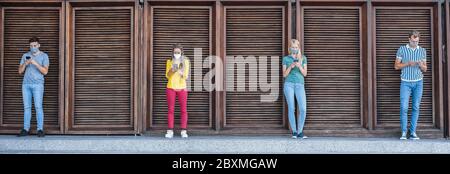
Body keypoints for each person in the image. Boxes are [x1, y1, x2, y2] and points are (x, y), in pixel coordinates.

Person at [394, 30, 427, 140]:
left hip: (418, 82)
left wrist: (421, 65)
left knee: (416, 107)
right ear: (409, 39)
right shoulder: (402, 49)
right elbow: (396, 66)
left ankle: (413, 132)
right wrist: (408, 63)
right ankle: (404, 132)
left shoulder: (422, 50)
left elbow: (425, 69)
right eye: (413, 41)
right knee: (404, 107)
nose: (415, 44)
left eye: (417, 41)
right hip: (405, 82)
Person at [17, 37, 49, 137]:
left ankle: (40, 129)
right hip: (26, 85)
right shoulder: (25, 55)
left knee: (38, 107)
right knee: (27, 107)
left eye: (35, 46)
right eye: (31, 46)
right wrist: (25, 64)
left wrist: (35, 63)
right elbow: (20, 71)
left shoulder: (44, 56)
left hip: (38, 85)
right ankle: (26, 129)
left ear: (38, 45)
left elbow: (45, 71)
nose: (33, 48)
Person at [282, 39, 308, 139]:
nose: (294, 49)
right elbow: (284, 74)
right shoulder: (286, 59)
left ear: (298, 48)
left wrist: (299, 66)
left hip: (300, 85)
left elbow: (305, 74)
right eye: (293, 47)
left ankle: (300, 131)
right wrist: (291, 66)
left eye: (296, 47)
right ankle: (294, 132)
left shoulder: (303, 58)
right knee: (291, 108)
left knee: (303, 109)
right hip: (289, 85)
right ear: (290, 48)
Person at [165, 43, 190, 138]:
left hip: (182, 88)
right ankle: (170, 130)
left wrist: (180, 71)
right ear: (172, 52)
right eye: (175, 52)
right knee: (171, 110)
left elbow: (186, 76)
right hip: (171, 87)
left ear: (181, 52)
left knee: (183, 110)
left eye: (178, 52)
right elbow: (167, 75)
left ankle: (183, 131)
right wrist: (172, 70)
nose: (176, 53)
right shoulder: (169, 62)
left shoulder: (186, 62)